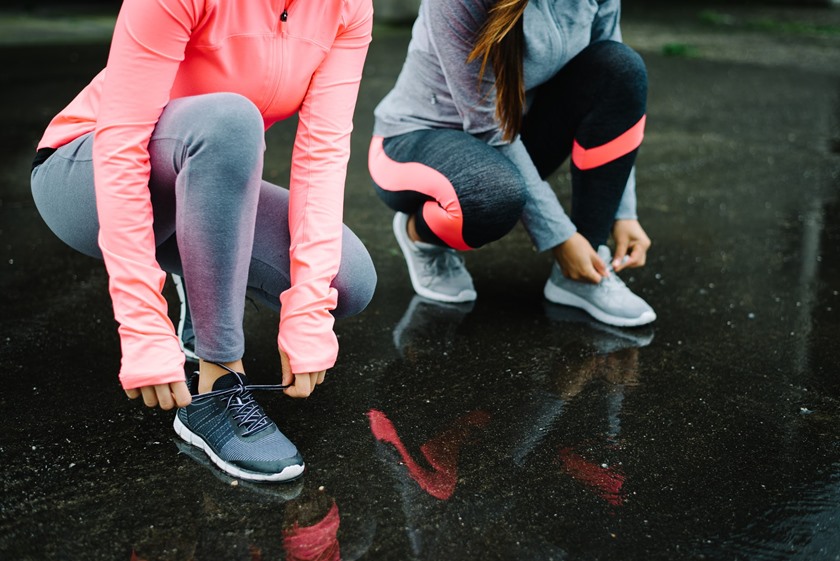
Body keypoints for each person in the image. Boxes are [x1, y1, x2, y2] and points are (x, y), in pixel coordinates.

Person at [30, 0, 376, 482]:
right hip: (84, 174)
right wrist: (143, 325)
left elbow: (323, 155)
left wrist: (309, 308)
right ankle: (218, 389)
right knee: (230, 120)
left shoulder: (348, 8)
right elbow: (121, 148)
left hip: (204, 180)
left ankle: (203, 287)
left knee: (348, 279)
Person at [367, 0, 656, 327]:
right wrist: (559, 238)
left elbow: (614, 84)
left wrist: (622, 211)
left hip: (510, 137)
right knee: (492, 194)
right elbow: (487, 127)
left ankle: (583, 276)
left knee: (622, 67)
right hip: (413, 141)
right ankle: (420, 236)